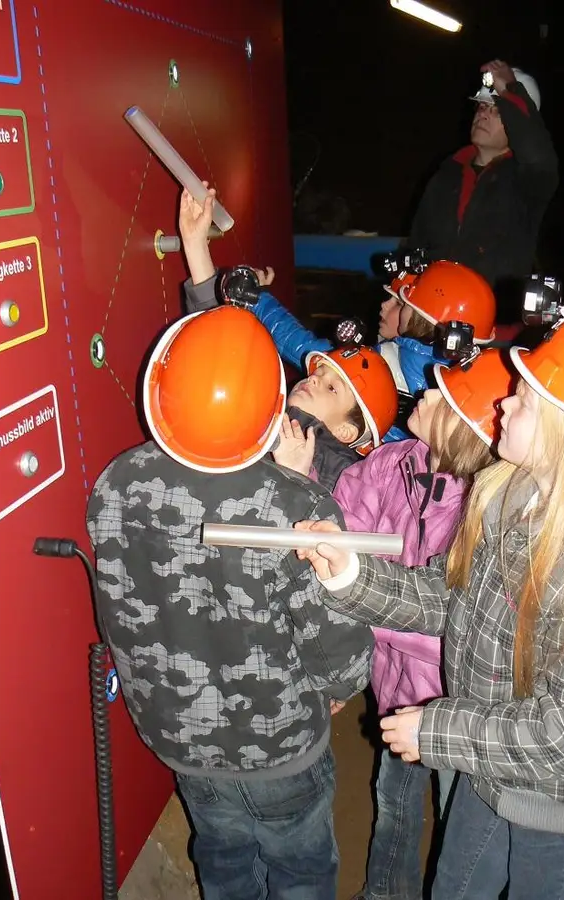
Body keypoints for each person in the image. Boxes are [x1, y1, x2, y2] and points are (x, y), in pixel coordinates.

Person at [294, 312, 564, 900]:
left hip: (554, 806)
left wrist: (439, 730)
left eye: (520, 401)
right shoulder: (504, 499)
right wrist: (352, 574)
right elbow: (452, 601)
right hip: (485, 768)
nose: (502, 407)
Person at [85, 304, 374, 900]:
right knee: (298, 871)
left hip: (178, 737)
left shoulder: (114, 485)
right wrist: (341, 687)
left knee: (223, 860)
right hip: (282, 747)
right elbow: (341, 654)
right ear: (270, 409)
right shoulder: (297, 505)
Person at [274, 350, 514, 900]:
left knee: (463, 821)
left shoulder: (486, 506)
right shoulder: (394, 462)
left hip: (460, 702)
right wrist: (302, 480)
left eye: (442, 395)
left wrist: (361, 612)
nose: (425, 389)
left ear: (467, 424)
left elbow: (453, 623)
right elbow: (342, 523)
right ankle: (385, 892)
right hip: (396, 688)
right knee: (395, 804)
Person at [177, 183, 493, 445]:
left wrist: (251, 297)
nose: (385, 305)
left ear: (427, 324)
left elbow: (298, 342)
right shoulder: (435, 382)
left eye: (403, 304)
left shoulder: (398, 380)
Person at [174, 185, 399, 489]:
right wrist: (195, 242)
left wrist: (300, 479)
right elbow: (216, 345)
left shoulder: (344, 483)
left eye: (332, 388)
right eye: (320, 372)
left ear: (346, 432)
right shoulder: (270, 406)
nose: (315, 379)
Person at [406, 60, 558, 309]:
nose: (483, 114)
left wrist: (510, 88)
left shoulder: (528, 180)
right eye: (481, 107)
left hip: (493, 322)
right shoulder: (448, 173)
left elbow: (537, 154)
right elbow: (418, 241)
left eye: (497, 110)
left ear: (518, 123)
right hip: (431, 310)